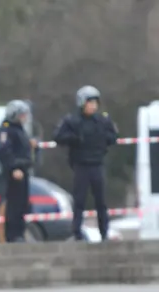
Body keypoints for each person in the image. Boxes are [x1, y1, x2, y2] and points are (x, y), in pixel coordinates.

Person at [53, 85, 118, 241]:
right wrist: (75, 139)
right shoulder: (72, 121)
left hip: (97, 163)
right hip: (81, 165)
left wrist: (104, 140)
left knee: (101, 201)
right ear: (82, 103)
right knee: (79, 201)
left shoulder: (102, 120)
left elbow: (113, 136)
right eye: (90, 102)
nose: (93, 106)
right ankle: (77, 233)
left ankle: (104, 232)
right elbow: (58, 137)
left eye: (95, 102)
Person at [0, 100, 36, 243]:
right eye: (22, 115)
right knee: (14, 204)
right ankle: (12, 235)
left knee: (22, 204)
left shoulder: (19, 129)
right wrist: (14, 168)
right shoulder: (6, 130)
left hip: (23, 171)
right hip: (14, 173)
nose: (24, 117)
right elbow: (5, 152)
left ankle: (20, 233)